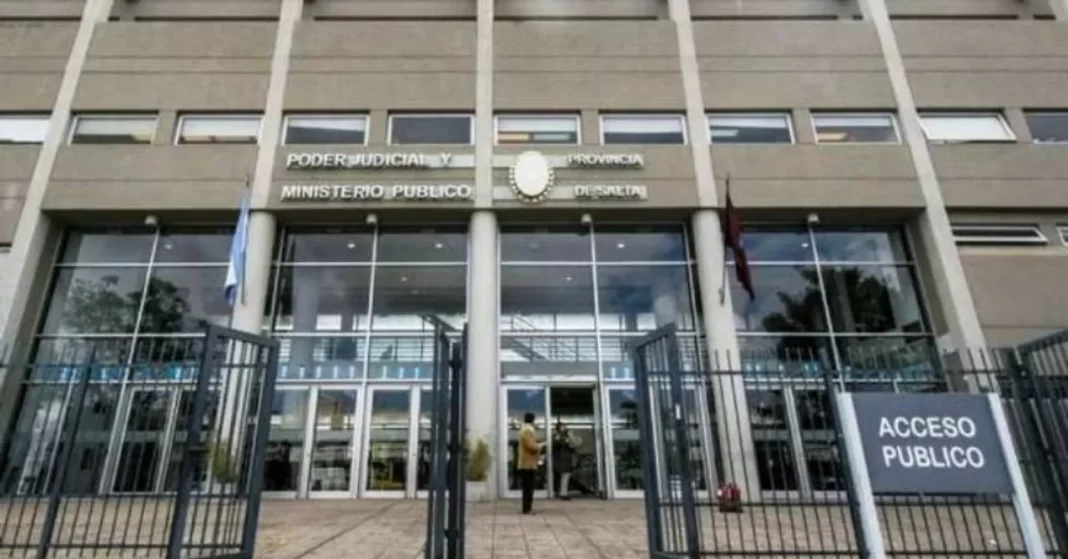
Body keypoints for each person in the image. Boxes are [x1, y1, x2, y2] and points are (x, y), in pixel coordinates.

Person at [517, 412, 543, 514]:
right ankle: (527, 509)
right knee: (528, 488)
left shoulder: (526, 430)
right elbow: (530, 446)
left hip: (527, 463)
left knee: (528, 488)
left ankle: (527, 508)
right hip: (527, 464)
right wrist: (539, 446)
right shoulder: (527, 431)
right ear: (532, 420)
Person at [551, 420, 579, 500]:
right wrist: (563, 440)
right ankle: (563, 493)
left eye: (564, 426)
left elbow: (575, 445)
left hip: (566, 459)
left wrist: (570, 437)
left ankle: (563, 493)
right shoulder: (556, 436)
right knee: (563, 476)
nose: (564, 428)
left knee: (566, 476)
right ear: (558, 428)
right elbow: (555, 444)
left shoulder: (567, 435)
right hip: (560, 459)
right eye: (562, 426)